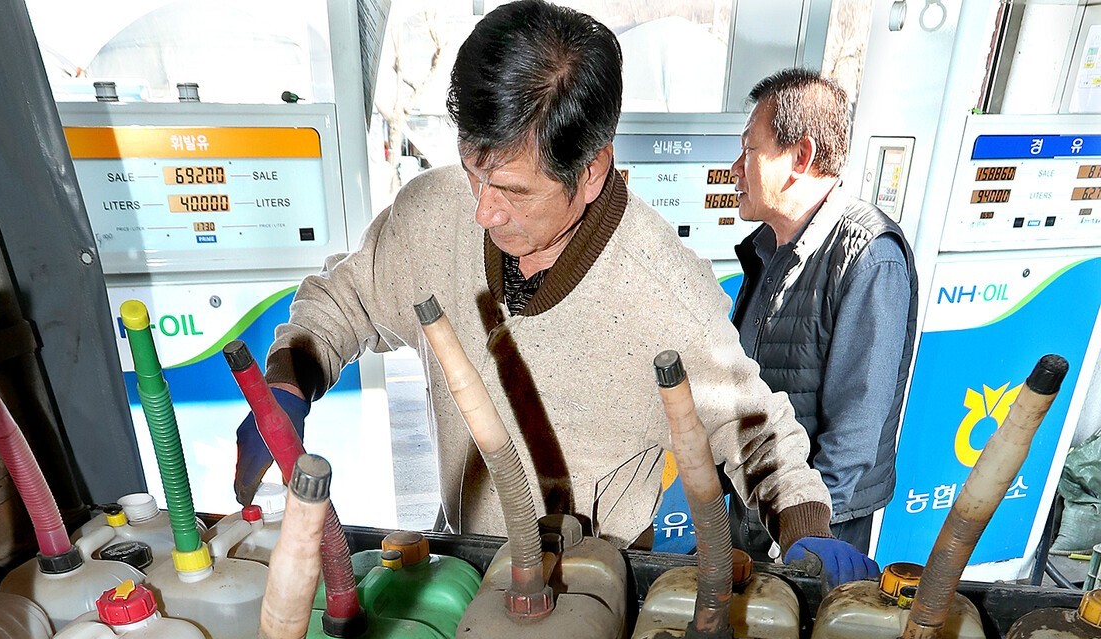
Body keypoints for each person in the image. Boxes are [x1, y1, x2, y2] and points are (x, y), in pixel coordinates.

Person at [236, 0, 877, 585]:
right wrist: (289, 386)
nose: (483, 212)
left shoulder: (661, 290)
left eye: (513, 191)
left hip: (590, 590)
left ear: (592, 169)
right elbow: (343, 302)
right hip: (462, 568)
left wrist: (806, 531)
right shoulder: (434, 212)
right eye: (472, 171)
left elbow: (757, 433)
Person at [727, 68, 918, 558]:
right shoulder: (769, 246)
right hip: (759, 492)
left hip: (819, 518)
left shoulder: (870, 255)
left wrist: (804, 533)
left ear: (801, 157)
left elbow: (856, 427)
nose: (734, 169)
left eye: (750, 150)